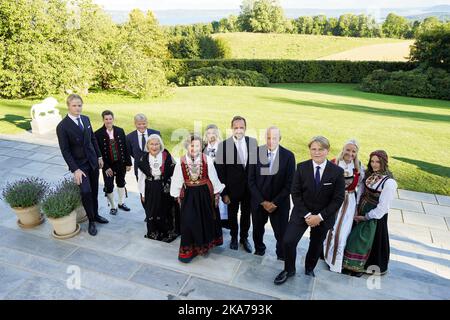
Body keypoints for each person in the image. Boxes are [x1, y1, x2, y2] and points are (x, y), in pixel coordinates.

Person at [274, 136, 345, 285]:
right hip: (301, 213)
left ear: (327, 151)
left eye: (321, 149)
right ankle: (289, 269)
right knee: (288, 241)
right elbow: (296, 193)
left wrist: (319, 217)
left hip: (323, 216)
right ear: (309, 150)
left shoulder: (337, 172)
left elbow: (337, 199)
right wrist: (307, 214)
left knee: (316, 244)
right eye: (313, 149)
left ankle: (309, 267)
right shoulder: (301, 167)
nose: (317, 152)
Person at [56, 94, 109, 236]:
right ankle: (91, 220)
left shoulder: (85, 119)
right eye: (74, 105)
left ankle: (96, 215)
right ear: (68, 106)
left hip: (92, 161)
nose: (77, 108)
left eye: (79, 105)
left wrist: (99, 156)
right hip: (79, 165)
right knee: (86, 192)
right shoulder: (62, 126)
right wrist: (75, 169)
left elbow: (92, 139)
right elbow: (65, 151)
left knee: (95, 190)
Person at [170, 134, 224, 263]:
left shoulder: (207, 160)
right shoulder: (181, 162)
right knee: (189, 221)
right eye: (192, 145)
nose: (194, 148)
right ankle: (188, 250)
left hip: (204, 194)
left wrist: (217, 192)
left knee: (204, 220)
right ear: (187, 146)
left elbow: (213, 177)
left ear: (202, 147)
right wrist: (176, 194)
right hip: (189, 196)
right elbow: (177, 179)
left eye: (198, 145)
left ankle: (203, 246)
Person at [342, 150, 397, 277]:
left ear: (384, 162)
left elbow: (383, 207)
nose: (374, 164)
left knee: (365, 241)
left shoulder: (389, 183)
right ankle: (350, 265)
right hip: (361, 210)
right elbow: (361, 190)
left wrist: (366, 217)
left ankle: (362, 267)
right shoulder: (369, 174)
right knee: (354, 238)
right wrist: (356, 207)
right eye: (372, 161)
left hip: (374, 217)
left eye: (378, 161)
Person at [248, 126, 295, 260]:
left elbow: (289, 184)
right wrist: (262, 202)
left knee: (281, 233)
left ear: (279, 139)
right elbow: (250, 180)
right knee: (257, 229)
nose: (270, 141)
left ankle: (281, 255)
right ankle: (259, 249)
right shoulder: (255, 153)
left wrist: (274, 203)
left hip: (279, 204)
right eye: (268, 138)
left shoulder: (289, 156)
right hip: (259, 202)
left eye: (274, 138)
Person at [215, 116, 258, 253]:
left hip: (249, 189)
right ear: (231, 128)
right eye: (236, 127)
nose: (239, 130)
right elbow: (220, 172)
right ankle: (234, 237)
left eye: (241, 127)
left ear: (245, 128)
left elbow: (256, 167)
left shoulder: (252, 142)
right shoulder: (223, 146)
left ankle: (244, 238)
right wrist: (224, 193)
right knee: (233, 214)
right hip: (232, 189)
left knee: (246, 215)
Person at [323, 139, 365, 273]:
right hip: (333, 200)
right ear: (343, 149)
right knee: (330, 229)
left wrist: (357, 206)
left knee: (342, 234)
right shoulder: (334, 162)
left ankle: (336, 263)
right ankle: (325, 256)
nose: (350, 153)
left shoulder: (359, 167)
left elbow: (361, 188)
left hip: (349, 202)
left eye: (354, 151)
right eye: (348, 150)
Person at [137, 134, 177, 242]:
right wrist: (143, 194)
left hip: (164, 187)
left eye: (156, 144)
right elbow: (141, 179)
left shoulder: (166, 156)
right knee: (152, 210)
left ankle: (166, 232)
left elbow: (175, 173)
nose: (154, 147)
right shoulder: (143, 159)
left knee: (165, 209)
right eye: (151, 144)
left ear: (160, 145)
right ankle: (153, 232)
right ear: (147, 146)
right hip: (150, 187)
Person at [94, 110, 132, 215]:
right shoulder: (97, 134)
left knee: (121, 182)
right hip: (108, 165)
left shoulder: (120, 131)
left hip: (120, 163)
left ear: (113, 119)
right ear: (103, 120)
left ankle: (121, 203)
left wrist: (128, 163)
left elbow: (125, 147)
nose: (108, 121)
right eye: (106, 119)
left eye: (110, 119)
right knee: (109, 185)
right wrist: (105, 167)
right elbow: (98, 153)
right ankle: (113, 206)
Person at [203, 124, 229, 229]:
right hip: (207, 182)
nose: (211, 135)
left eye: (213, 133)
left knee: (221, 206)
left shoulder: (223, 147)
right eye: (208, 133)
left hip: (220, 180)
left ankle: (222, 224)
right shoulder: (203, 148)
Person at [126, 114, 161, 180]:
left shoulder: (156, 134)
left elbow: (160, 149)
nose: (142, 126)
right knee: (142, 188)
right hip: (139, 167)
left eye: (144, 124)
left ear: (147, 123)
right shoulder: (129, 137)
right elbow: (130, 152)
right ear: (135, 124)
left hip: (155, 166)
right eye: (139, 124)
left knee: (155, 188)